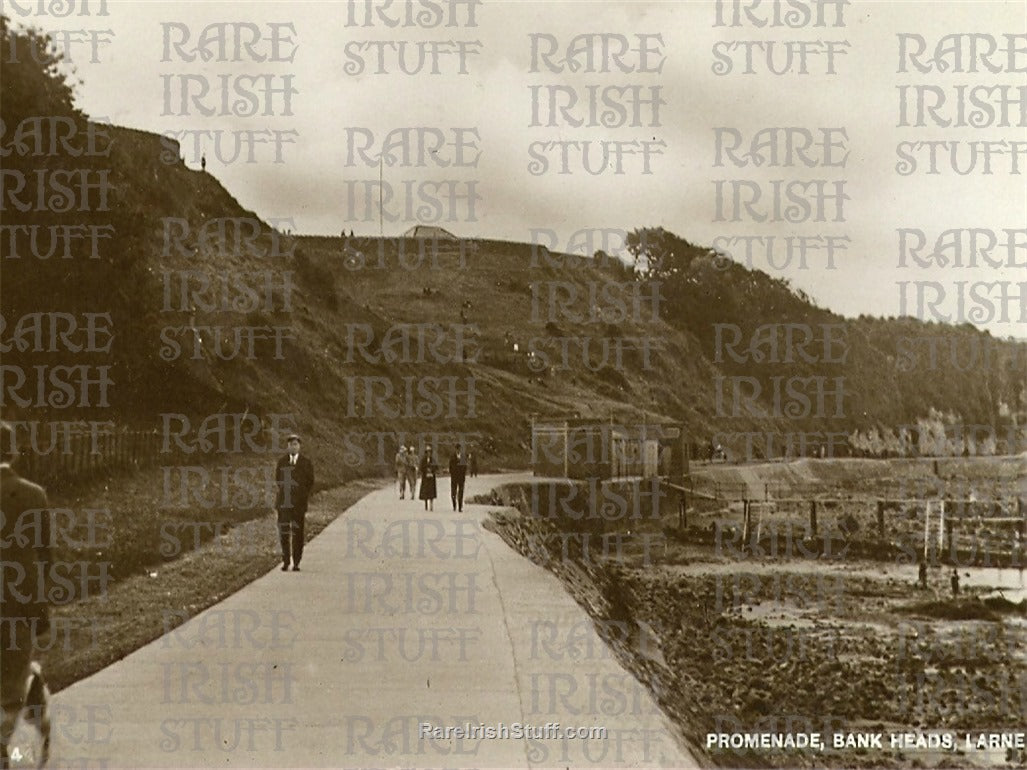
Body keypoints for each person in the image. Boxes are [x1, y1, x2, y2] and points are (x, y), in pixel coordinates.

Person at [1, 422, 52, 766]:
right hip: (19, 606)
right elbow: (45, 557)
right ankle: (33, 688)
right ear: (13, 452)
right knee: (12, 682)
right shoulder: (34, 494)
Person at [274, 434, 314, 571]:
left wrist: (301, 495)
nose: (293, 447)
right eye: (291, 444)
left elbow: (310, 482)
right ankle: (286, 561)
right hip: (284, 504)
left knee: (298, 533)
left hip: (299, 505)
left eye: (296, 444)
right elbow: (278, 479)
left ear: (299, 446)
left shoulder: (306, 463)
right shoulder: (282, 462)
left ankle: (296, 561)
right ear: (287, 446)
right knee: (284, 532)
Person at [418, 446, 438, 511]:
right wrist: (426, 470)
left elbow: (436, 467)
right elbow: (421, 467)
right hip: (425, 477)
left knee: (431, 491)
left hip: (431, 477)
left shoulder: (433, 459)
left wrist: (432, 470)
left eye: (430, 452)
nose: (429, 453)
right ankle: (426, 503)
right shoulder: (423, 460)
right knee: (426, 490)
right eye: (427, 452)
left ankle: (431, 504)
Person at [448, 446, 467, 512]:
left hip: (461, 477)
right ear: (456, 449)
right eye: (457, 449)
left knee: (461, 492)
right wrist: (453, 473)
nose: (458, 450)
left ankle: (460, 506)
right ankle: (454, 504)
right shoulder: (452, 457)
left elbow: (465, 466)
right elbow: (450, 466)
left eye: (459, 449)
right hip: (454, 477)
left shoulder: (463, 457)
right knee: (453, 491)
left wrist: (463, 474)